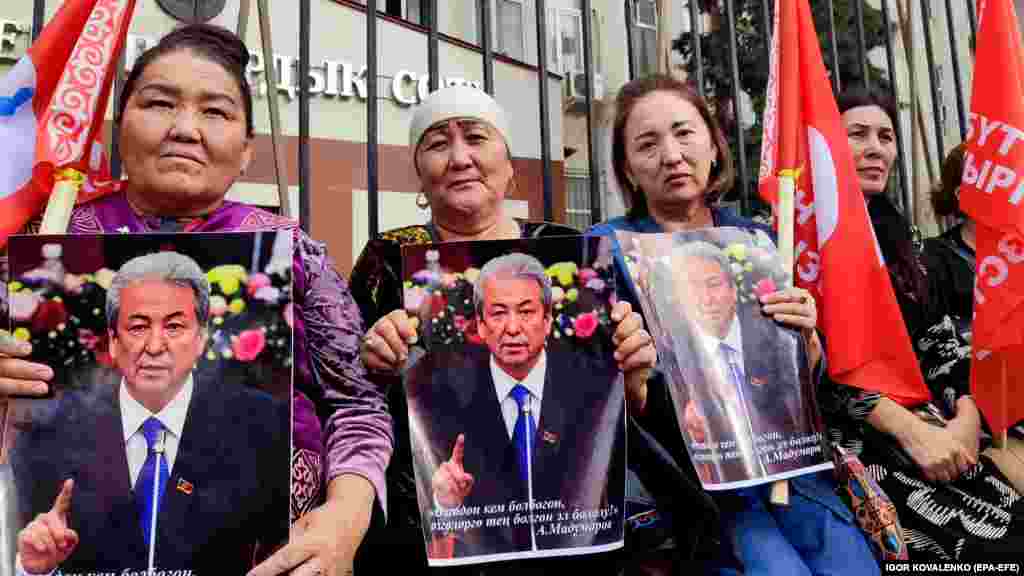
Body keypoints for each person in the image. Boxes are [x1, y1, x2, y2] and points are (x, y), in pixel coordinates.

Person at [0, 24, 390, 576]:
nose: (185, 129)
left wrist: (347, 514)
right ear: (119, 126)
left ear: (248, 148)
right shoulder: (42, 247)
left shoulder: (293, 252)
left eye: (216, 112)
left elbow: (357, 404)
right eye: (159, 103)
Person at [349, 85, 657, 574]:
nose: (459, 157)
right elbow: (350, 396)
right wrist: (375, 361)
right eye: (436, 144)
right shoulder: (387, 259)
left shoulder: (566, 252)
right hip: (437, 514)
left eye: (475, 137)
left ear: (510, 165)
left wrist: (635, 377)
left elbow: (622, 411)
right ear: (419, 176)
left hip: (569, 513)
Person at [588, 74, 879, 575]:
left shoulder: (758, 237)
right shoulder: (605, 249)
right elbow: (601, 395)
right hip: (695, 476)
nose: (672, 154)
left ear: (714, 146)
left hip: (788, 465)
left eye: (684, 133)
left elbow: (807, 381)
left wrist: (804, 336)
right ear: (629, 169)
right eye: (648, 143)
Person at [822, 85, 1024, 561]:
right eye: (857, 134)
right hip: (861, 441)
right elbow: (814, 370)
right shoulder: (800, 240)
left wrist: (966, 420)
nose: (875, 148)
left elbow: (939, 343)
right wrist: (911, 431)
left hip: (937, 425)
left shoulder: (904, 240)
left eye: (886, 136)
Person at [12, 251, 289, 575]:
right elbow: (25, 553)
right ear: (113, 342)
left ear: (200, 339)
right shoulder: (50, 434)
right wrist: (36, 569)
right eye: (139, 327)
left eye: (174, 326)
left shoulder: (262, 426)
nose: (155, 346)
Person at [410, 252, 623, 558]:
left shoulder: (593, 391)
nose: (512, 328)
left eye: (526, 312)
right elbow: (441, 537)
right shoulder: (444, 401)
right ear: (480, 326)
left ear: (547, 320)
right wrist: (445, 504)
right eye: (498, 314)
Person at [661, 242, 808, 484]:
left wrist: (809, 338)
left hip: (791, 471)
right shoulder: (669, 349)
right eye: (692, 289)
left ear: (733, 290)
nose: (706, 299)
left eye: (713, 285)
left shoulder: (776, 336)